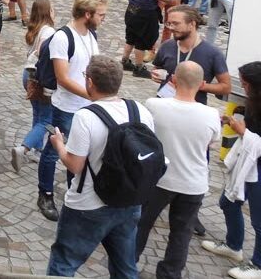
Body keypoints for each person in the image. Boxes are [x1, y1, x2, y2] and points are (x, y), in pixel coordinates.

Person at [46, 55, 153, 278]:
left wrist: (59, 145)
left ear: (90, 83)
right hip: (129, 202)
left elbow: (75, 165)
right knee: (125, 267)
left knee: (63, 264)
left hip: (88, 205)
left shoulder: (86, 117)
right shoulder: (141, 111)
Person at [136, 61, 221, 279]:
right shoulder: (212, 114)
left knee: (142, 223)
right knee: (181, 233)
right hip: (193, 183)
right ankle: (170, 273)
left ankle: (129, 261)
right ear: (202, 84)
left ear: (173, 80)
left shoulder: (153, 105)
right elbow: (211, 143)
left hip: (160, 179)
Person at [37, 0, 107, 222]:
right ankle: (45, 194)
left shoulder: (90, 34)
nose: (103, 19)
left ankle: (74, 191)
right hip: (67, 107)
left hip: (87, 106)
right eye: (101, 15)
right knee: (53, 150)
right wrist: (93, 95)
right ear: (87, 14)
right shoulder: (63, 38)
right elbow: (63, 78)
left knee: (81, 151)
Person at [202, 62, 261, 279]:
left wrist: (243, 132)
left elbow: (253, 136)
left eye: (246, 84)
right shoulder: (254, 101)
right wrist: (232, 121)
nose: (243, 87)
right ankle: (233, 246)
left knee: (259, 218)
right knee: (227, 202)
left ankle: (258, 265)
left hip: (258, 166)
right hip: (248, 162)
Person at [151, 5, 231, 105]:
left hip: (194, 109)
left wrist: (200, 85)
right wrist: (155, 74)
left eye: (176, 24)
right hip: (164, 104)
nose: (171, 27)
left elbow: (226, 87)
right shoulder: (166, 46)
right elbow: (156, 68)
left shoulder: (213, 53)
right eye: (169, 23)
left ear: (192, 24)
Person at [11, 0, 56, 173]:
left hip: (27, 75)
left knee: (38, 113)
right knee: (46, 119)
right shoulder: (49, 32)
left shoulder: (34, 29)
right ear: (47, 11)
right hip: (40, 76)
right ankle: (25, 148)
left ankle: (38, 150)